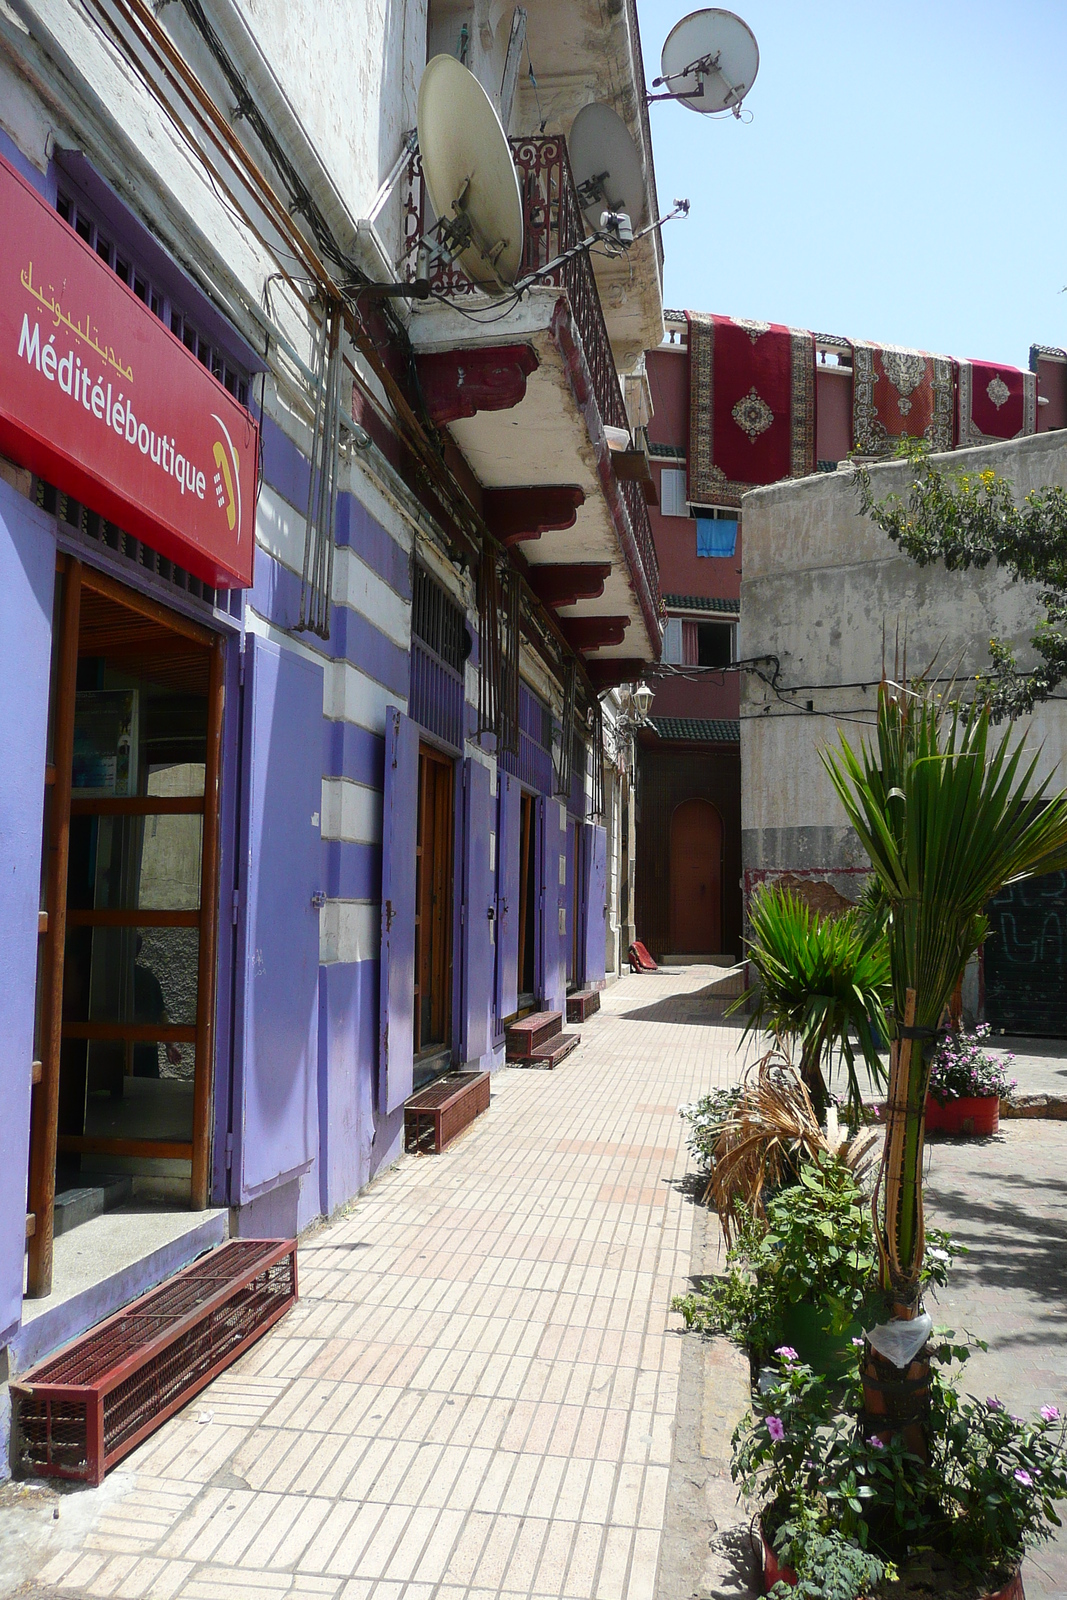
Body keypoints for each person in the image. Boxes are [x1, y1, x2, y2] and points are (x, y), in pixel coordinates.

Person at [132, 936, 183, 1078]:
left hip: (122, 1047)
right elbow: (162, 1015)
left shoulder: (111, 978)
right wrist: (169, 1045)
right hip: (146, 1047)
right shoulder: (149, 979)